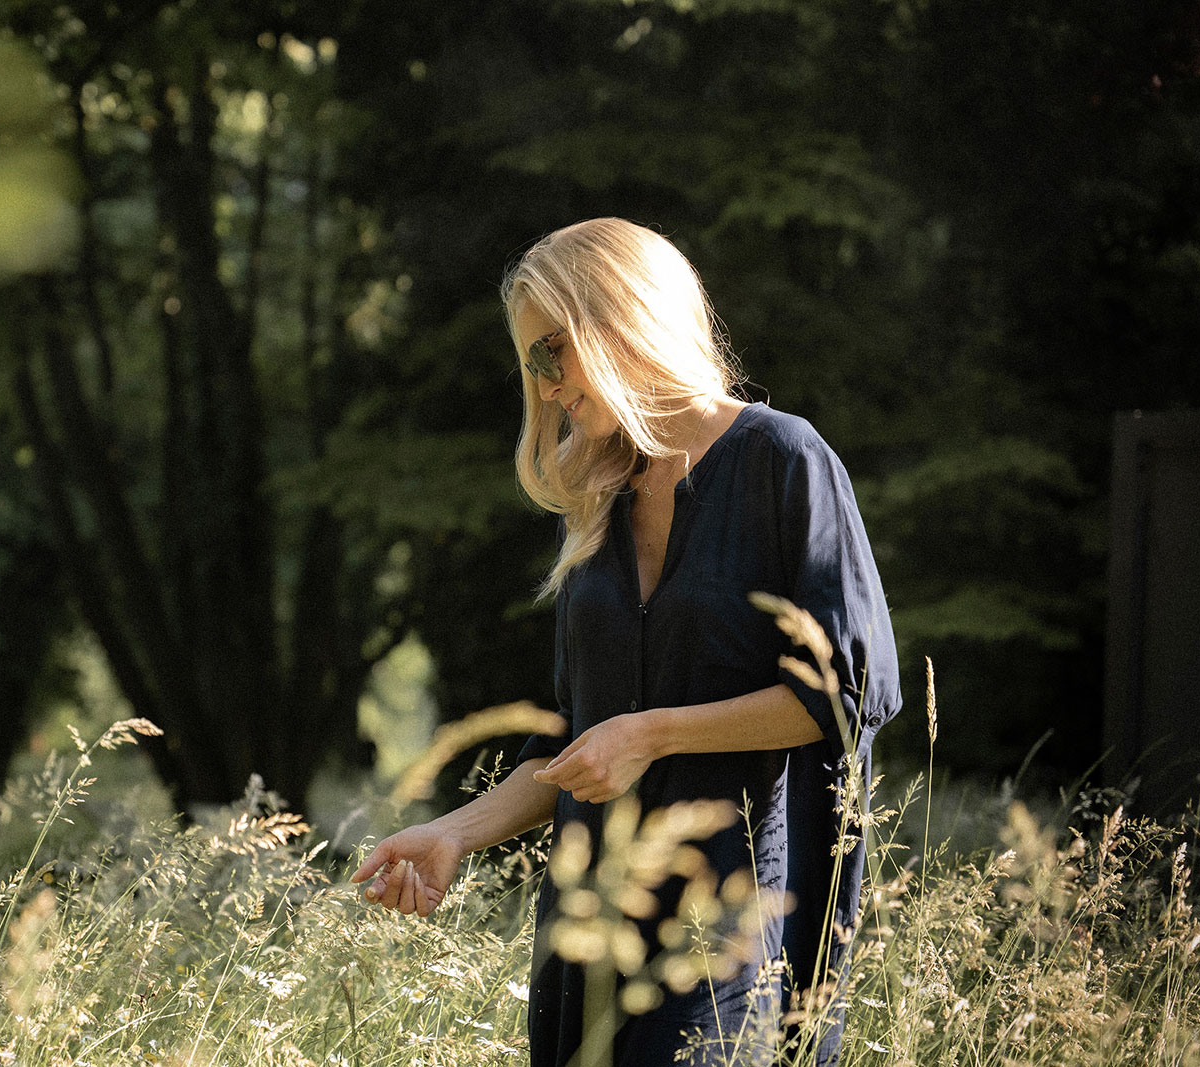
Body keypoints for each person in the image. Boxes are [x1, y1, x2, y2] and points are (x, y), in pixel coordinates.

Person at [350, 217, 901, 1067]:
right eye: (529, 362)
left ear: (622, 315)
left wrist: (654, 732)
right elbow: (576, 741)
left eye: (551, 352)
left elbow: (850, 690)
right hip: (590, 940)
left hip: (735, 931)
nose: (544, 385)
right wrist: (454, 832)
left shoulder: (784, 459)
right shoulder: (599, 505)